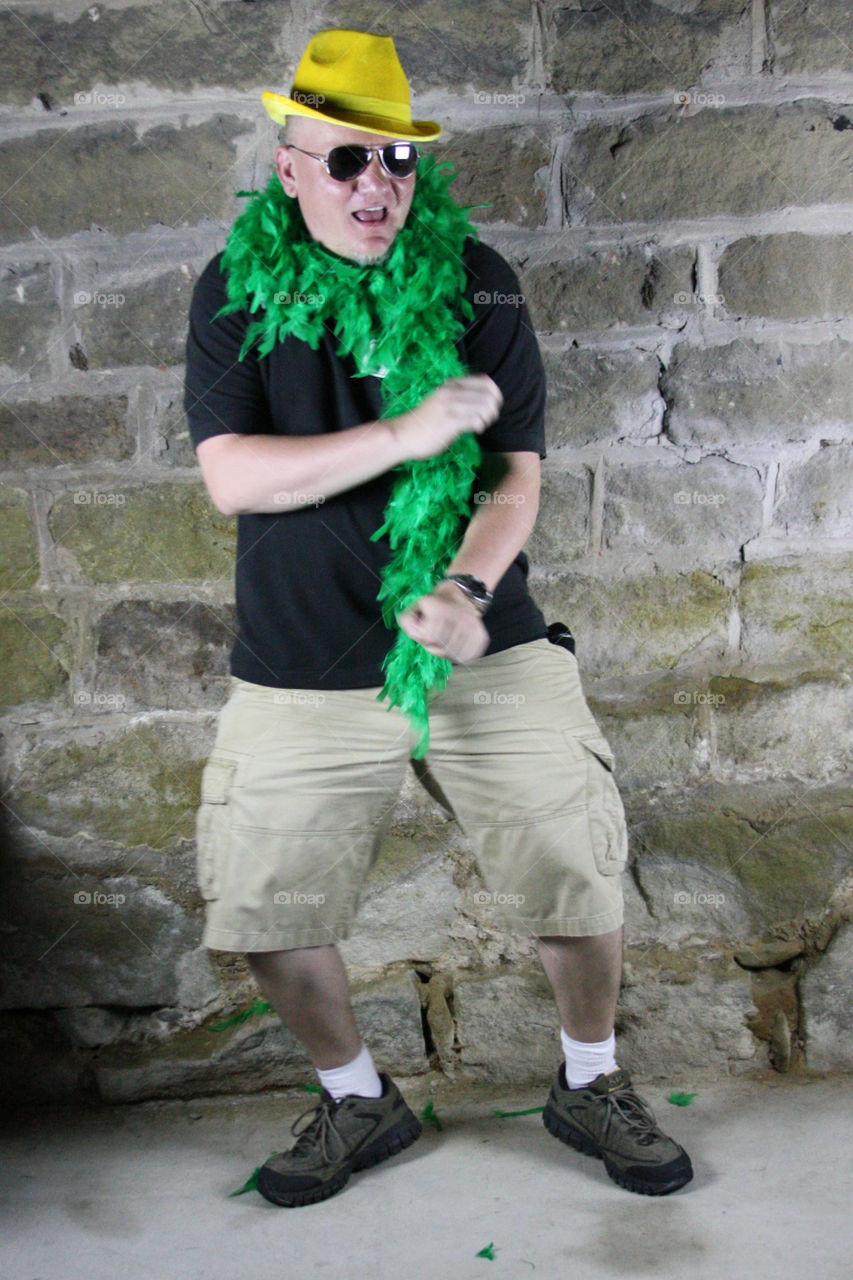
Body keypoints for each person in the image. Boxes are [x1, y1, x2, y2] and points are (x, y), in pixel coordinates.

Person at [184, 28, 693, 1207]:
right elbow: (234, 476)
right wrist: (405, 436)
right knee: (267, 898)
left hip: (482, 636)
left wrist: (465, 590)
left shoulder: (478, 277)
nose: (379, 186)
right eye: (349, 158)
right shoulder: (234, 288)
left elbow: (516, 475)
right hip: (302, 656)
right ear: (290, 165)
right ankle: (359, 1096)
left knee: (576, 856)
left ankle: (588, 1077)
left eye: (400, 162)